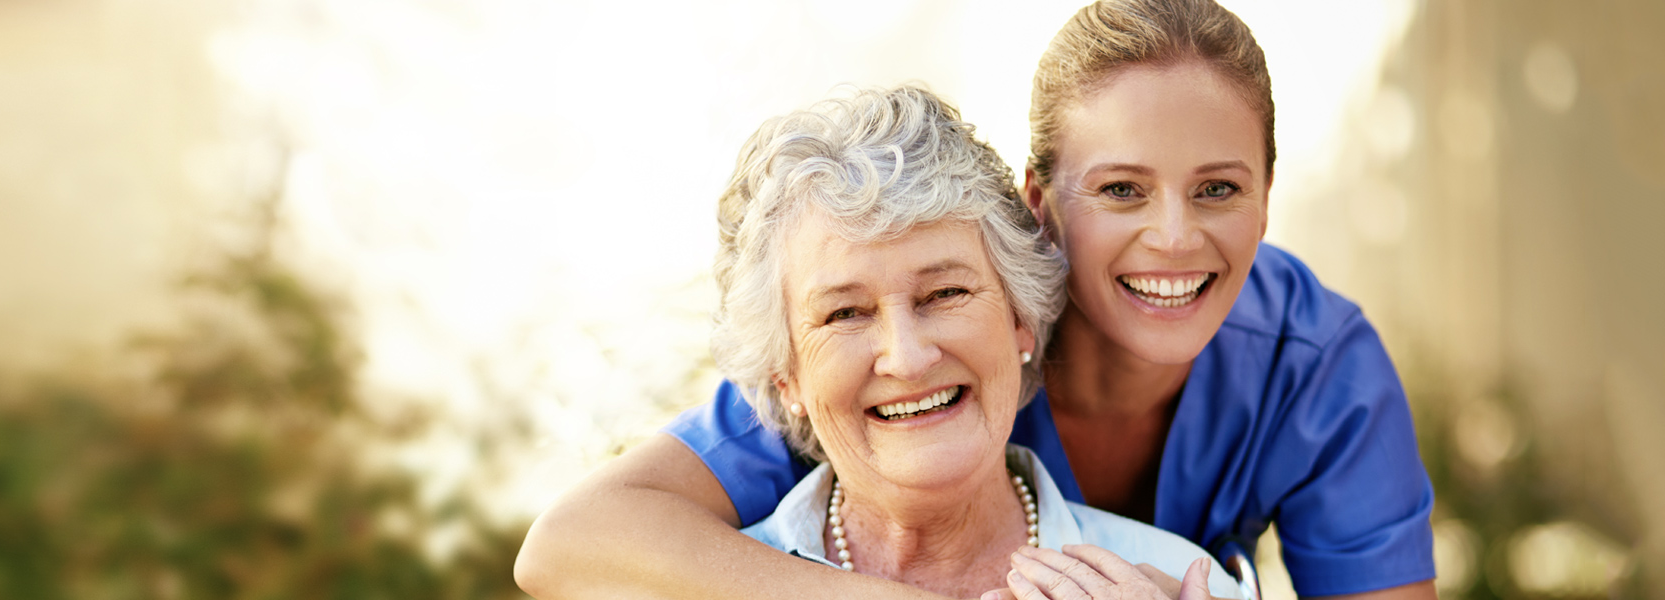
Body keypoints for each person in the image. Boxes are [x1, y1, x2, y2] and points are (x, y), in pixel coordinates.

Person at [514, 1, 1436, 598]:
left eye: (1219, 188)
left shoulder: (1316, 369)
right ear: (1041, 208)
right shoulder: (878, 350)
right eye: (1120, 189)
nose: (1173, 238)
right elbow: (577, 541)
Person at [705, 85, 1245, 599]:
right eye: (845, 313)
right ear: (787, 376)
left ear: (1020, 321)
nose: (909, 358)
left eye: (944, 293)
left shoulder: (1184, 583)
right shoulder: (687, 585)